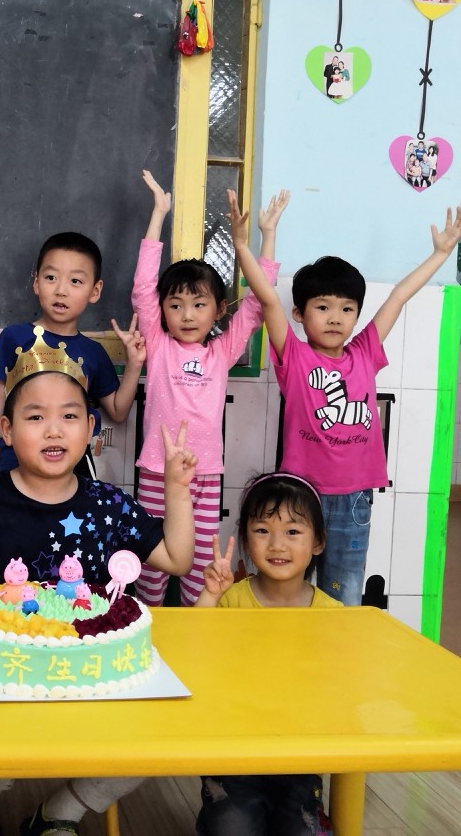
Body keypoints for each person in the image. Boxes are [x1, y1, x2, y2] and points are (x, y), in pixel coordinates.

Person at [0, 337, 197, 836]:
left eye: (70, 416)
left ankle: (62, 810)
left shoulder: (109, 506)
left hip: (90, 684)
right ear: (5, 430)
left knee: (152, 745)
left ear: (90, 428)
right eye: (35, 417)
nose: (54, 429)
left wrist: (177, 490)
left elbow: (177, 559)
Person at [228, 188, 461, 605]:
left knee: (344, 593)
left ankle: (338, 646)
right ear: (300, 313)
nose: (335, 318)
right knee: (286, 589)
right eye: (322, 307)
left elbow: (398, 296)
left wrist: (440, 255)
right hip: (301, 495)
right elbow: (267, 297)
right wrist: (242, 244)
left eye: (346, 309)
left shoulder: (365, 352)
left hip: (355, 498)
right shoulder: (295, 357)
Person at [132, 170, 279, 607]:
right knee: (153, 564)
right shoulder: (158, 346)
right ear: (163, 311)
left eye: (199, 305)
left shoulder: (221, 352)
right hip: (157, 470)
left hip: (206, 473)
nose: (187, 314)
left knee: (200, 564)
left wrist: (266, 237)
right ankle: (149, 623)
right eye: (175, 305)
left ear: (218, 310)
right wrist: (159, 215)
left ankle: (198, 626)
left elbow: (258, 304)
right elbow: (142, 290)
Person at [193, 472, 339, 836]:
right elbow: (193, 650)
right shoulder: (231, 600)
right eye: (262, 530)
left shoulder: (332, 614)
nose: (277, 544)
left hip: (299, 756)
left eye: (293, 531)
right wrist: (210, 595)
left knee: (301, 829)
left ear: (318, 542)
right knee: (233, 827)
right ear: (245, 539)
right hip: (232, 751)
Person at [0, 231, 144, 479]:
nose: (61, 290)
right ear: (36, 282)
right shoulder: (15, 338)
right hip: (15, 468)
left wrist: (135, 364)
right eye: (51, 277)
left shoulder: (93, 352)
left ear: (95, 291)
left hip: (74, 474)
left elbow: (118, 411)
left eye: (75, 281)